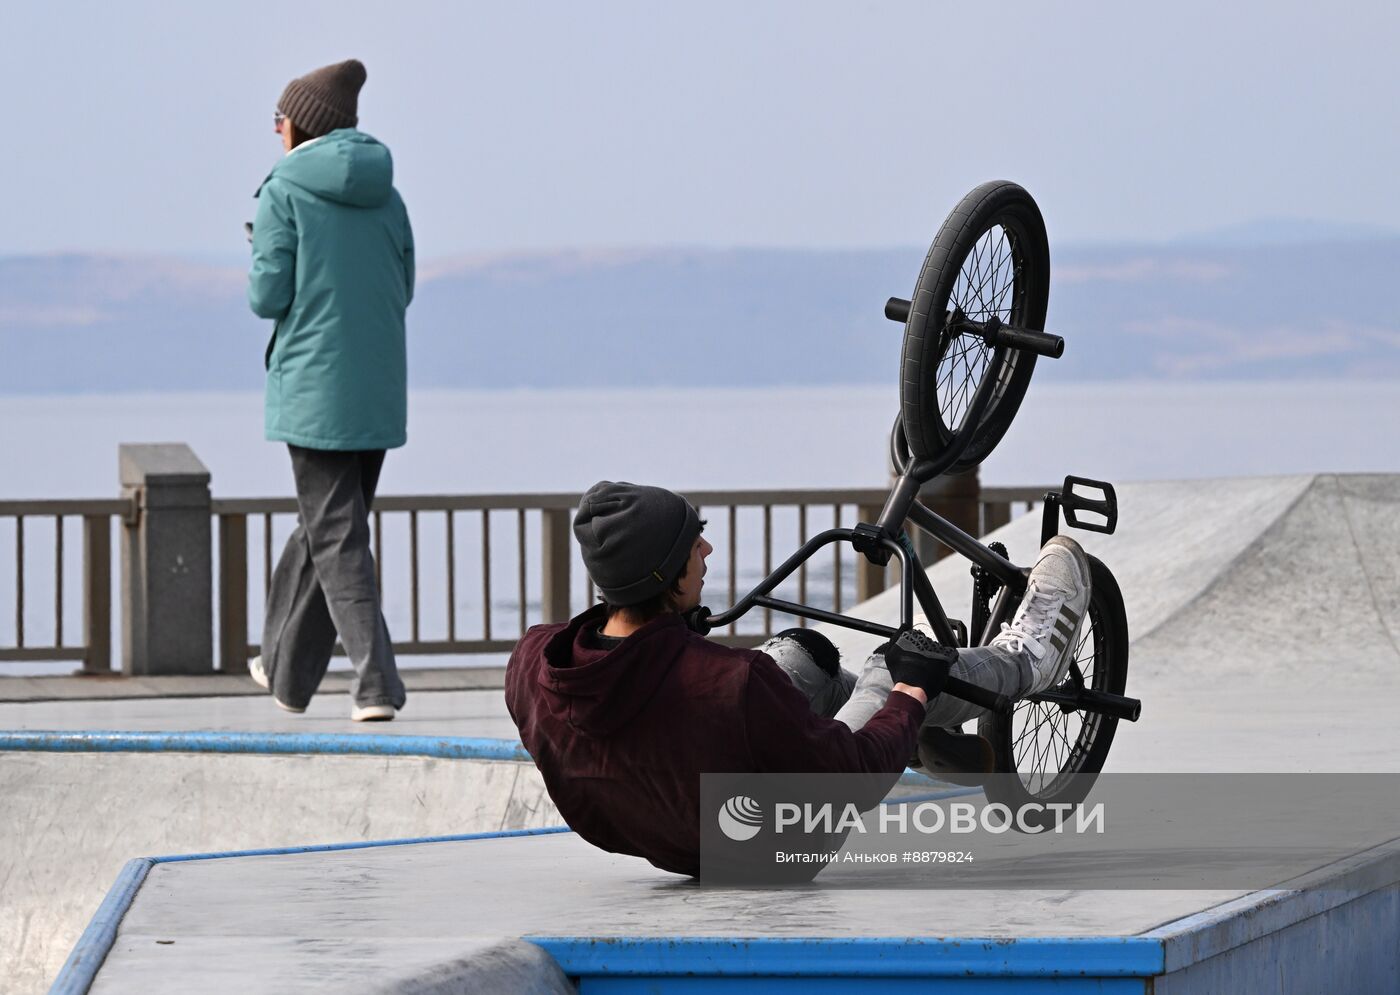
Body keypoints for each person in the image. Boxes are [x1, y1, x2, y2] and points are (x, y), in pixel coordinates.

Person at [505, 480, 1091, 876]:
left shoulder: (533, 663)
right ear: (664, 572)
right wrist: (911, 694)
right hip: (776, 845)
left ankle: (913, 736)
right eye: (691, 543)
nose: (707, 547)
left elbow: (649, 708)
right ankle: (1029, 659)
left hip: (664, 838)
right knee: (892, 667)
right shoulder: (727, 686)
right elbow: (849, 781)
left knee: (798, 654)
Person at [243, 59, 415, 722]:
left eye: (278, 120)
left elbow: (268, 296)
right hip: (377, 389)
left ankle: (376, 683)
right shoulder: (389, 195)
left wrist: (260, 247)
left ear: (297, 127)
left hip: (313, 390)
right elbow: (404, 286)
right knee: (328, 528)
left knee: (335, 535)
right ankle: (284, 671)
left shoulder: (281, 193)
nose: (275, 131)